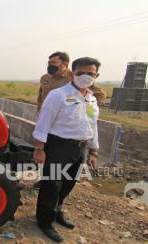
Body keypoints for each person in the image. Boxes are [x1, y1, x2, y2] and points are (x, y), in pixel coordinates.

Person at [32, 57, 101, 242]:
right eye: (81, 73)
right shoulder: (58, 95)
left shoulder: (92, 99)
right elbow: (43, 123)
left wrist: (93, 152)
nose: (86, 77)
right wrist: (39, 148)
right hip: (58, 147)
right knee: (52, 185)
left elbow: (93, 126)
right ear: (72, 73)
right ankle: (44, 221)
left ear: (97, 76)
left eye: (90, 74)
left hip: (80, 148)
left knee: (68, 183)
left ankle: (56, 212)